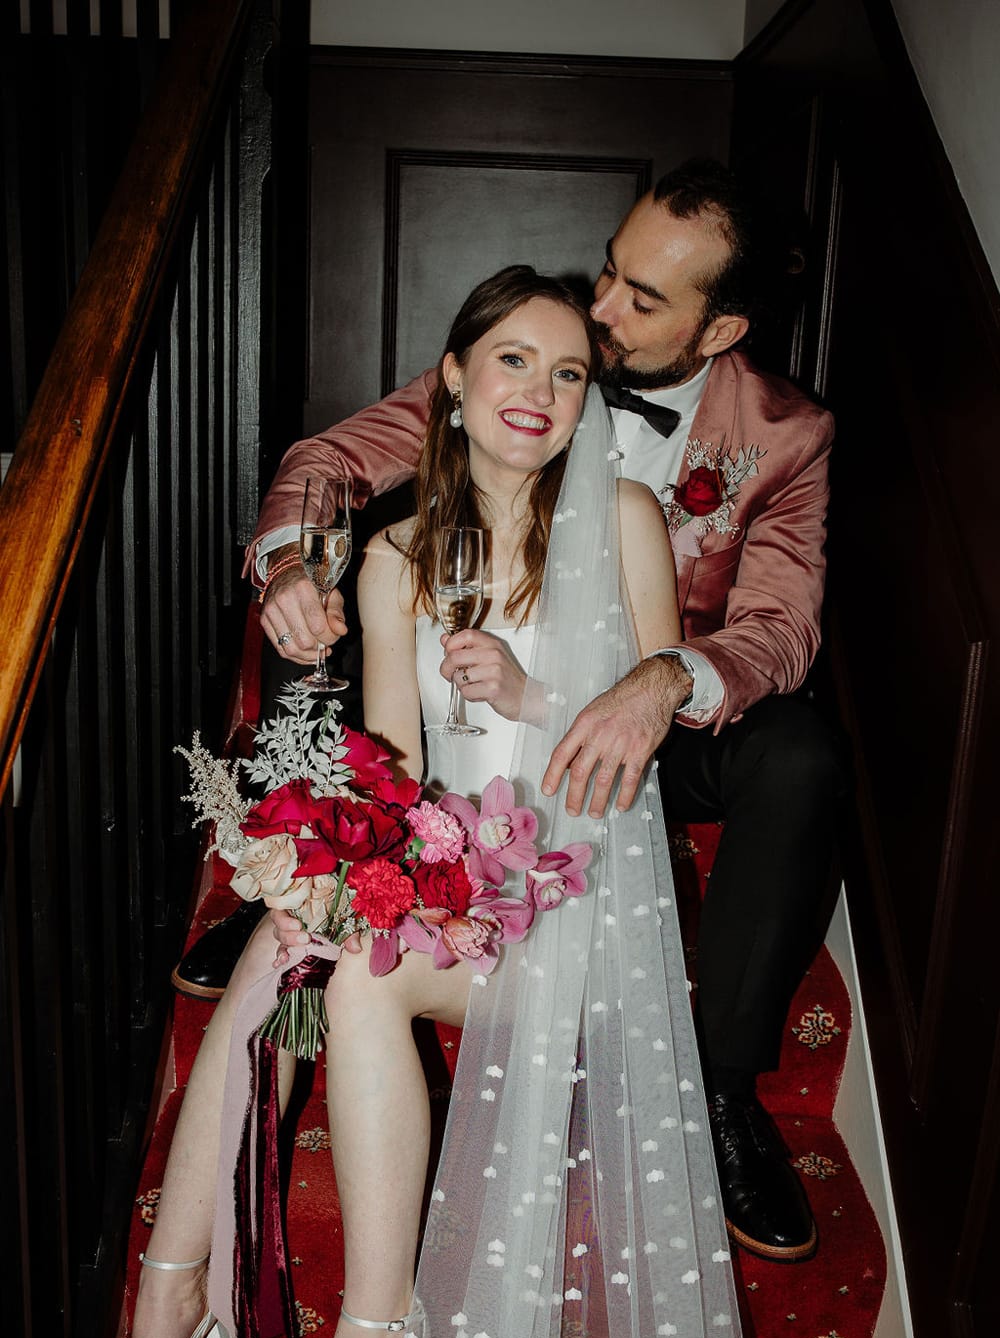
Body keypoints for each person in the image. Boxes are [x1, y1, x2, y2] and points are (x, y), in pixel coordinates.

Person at [99, 266, 771, 1338]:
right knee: (291, 944)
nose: (541, 391)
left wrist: (533, 694)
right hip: (464, 883)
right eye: (513, 359)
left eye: (567, 373)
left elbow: (651, 744)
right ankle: (176, 1295)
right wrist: (323, 859)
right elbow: (402, 773)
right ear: (453, 378)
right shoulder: (396, 558)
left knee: (360, 976)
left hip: (582, 900)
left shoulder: (624, 518)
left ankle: (358, 1337)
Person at [242, 158, 842, 1264]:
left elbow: (780, 629)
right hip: (479, 697)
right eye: (610, 270)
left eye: (642, 300)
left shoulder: (787, 433)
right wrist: (289, 566)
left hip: (654, 722)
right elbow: (331, 460)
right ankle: (303, 863)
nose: (601, 310)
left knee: (799, 752)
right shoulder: (538, 358)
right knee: (323, 610)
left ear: (719, 331)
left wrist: (659, 681)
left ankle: (718, 1088)